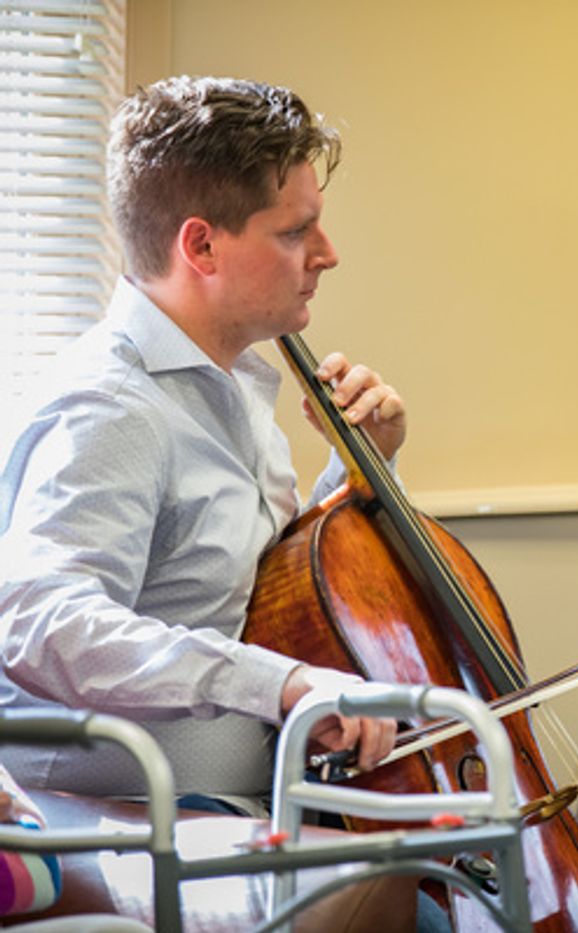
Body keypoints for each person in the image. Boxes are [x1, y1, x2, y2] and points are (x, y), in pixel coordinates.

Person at [0, 76, 400, 814]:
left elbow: (281, 591)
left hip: (251, 801)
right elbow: (41, 617)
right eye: (294, 231)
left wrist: (362, 470)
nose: (327, 253)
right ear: (202, 245)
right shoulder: (111, 405)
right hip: (131, 817)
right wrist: (281, 685)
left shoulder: (238, 386)